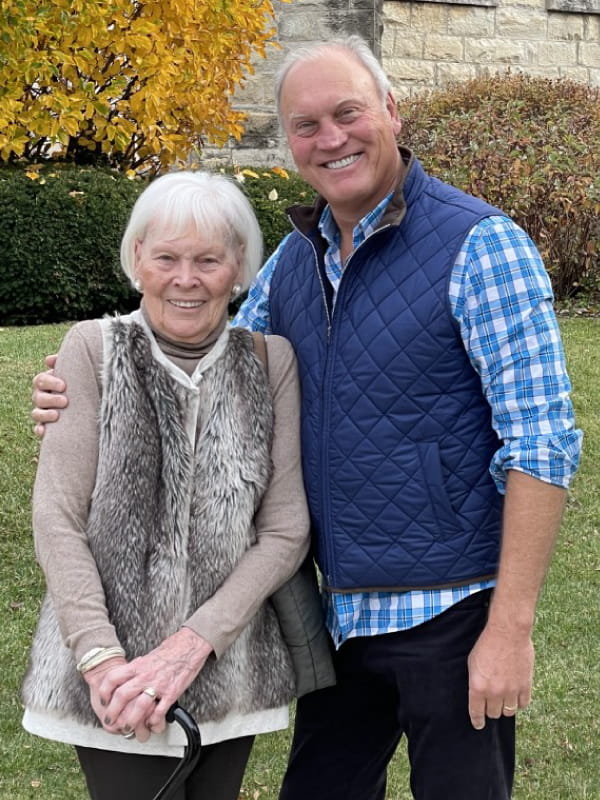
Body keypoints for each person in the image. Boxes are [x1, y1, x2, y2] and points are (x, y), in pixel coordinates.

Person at [31, 36, 583, 800]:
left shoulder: (480, 247)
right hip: (335, 616)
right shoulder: (295, 262)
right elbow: (204, 344)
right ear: (289, 141)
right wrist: (83, 380)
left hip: (451, 611)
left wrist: (511, 626)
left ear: (391, 110)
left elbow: (542, 444)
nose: (330, 139)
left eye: (347, 113)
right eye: (305, 125)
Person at [22, 170, 311, 800]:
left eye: (209, 259)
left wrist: (198, 639)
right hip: (112, 682)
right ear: (136, 260)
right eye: (167, 258)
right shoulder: (92, 350)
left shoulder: (271, 362)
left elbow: (285, 528)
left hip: (230, 670)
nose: (186, 278)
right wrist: (100, 658)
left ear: (239, 268)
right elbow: (57, 518)